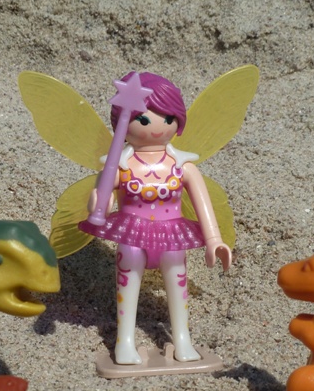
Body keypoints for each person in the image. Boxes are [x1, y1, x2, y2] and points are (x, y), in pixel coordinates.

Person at [79, 72, 232, 365]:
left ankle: (183, 338)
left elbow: (203, 205)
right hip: (131, 232)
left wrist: (214, 240)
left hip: (172, 233)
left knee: (177, 279)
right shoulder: (119, 167)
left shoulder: (183, 166)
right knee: (128, 279)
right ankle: (124, 341)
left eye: (169, 118)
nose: (158, 126)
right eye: (143, 119)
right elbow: (100, 203)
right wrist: (99, 201)